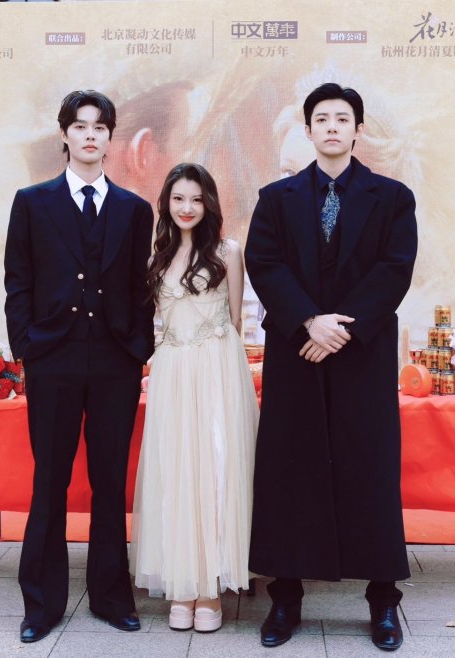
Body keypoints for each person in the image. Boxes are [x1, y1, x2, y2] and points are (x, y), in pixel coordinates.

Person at [244, 83, 418, 652]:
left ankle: (383, 601)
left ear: (358, 129)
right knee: (290, 471)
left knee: (369, 471)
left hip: (361, 354)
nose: (332, 128)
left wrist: (341, 328)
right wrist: (307, 321)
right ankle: (285, 598)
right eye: (322, 119)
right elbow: (264, 262)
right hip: (297, 351)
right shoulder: (277, 198)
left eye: (343, 119)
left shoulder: (392, 197)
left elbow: (395, 268)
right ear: (308, 129)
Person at [4, 90, 155, 643]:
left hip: (115, 361)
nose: (90, 135)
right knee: (50, 479)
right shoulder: (32, 202)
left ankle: (111, 597)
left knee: (109, 481)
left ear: (110, 138)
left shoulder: (134, 210)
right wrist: (27, 345)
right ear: (64, 134)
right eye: (80, 126)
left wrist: (138, 347)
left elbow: (141, 286)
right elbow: (18, 281)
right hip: (53, 359)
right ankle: (41, 604)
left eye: (99, 127)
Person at [129, 163, 258, 633]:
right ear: (166, 203)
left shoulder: (229, 252)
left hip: (218, 369)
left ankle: (210, 589)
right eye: (179, 198)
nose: (187, 207)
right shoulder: (156, 256)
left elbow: (236, 322)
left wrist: (225, 376)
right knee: (176, 470)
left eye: (197, 199)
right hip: (172, 371)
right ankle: (181, 586)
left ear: (210, 204)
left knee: (215, 468)